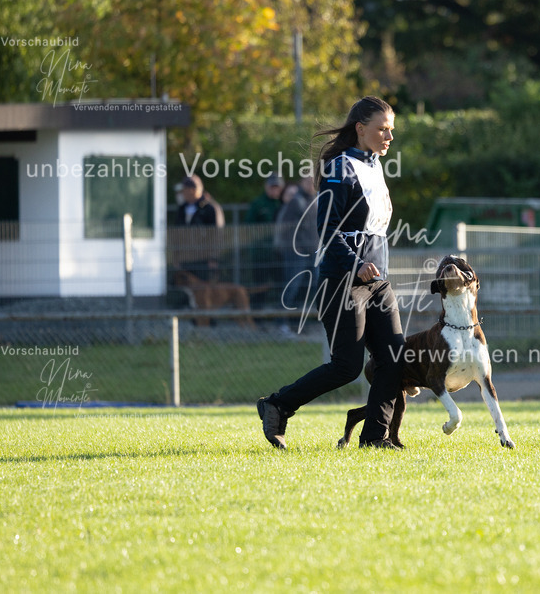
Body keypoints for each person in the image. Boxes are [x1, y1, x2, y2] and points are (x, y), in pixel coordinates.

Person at [257, 96, 404, 450]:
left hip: (377, 281)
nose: (389, 137)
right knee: (346, 367)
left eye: (392, 130)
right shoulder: (339, 167)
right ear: (360, 128)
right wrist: (356, 263)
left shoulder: (375, 165)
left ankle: (375, 439)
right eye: (383, 129)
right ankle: (277, 405)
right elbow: (328, 228)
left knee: (394, 358)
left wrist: (372, 268)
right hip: (343, 279)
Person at [273, 177, 319, 318]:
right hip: (297, 252)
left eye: (313, 181)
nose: (311, 185)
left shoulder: (316, 200)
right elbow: (287, 228)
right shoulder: (296, 201)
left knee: (315, 285)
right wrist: (296, 247)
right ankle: (282, 322)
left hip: (314, 251)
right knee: (292, 286)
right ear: (302, 183)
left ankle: (300, 322)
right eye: (308, 181)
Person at [171, 174, 225, 282]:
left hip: (203, 260)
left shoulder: (210, 208)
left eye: (184, 190)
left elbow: (217, 235)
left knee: (204, 292)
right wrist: (176, 257)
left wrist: (213, 258)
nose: (181, 193)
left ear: (193, 190)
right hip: (186, 260)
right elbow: (177, 234)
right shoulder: (182, 209)